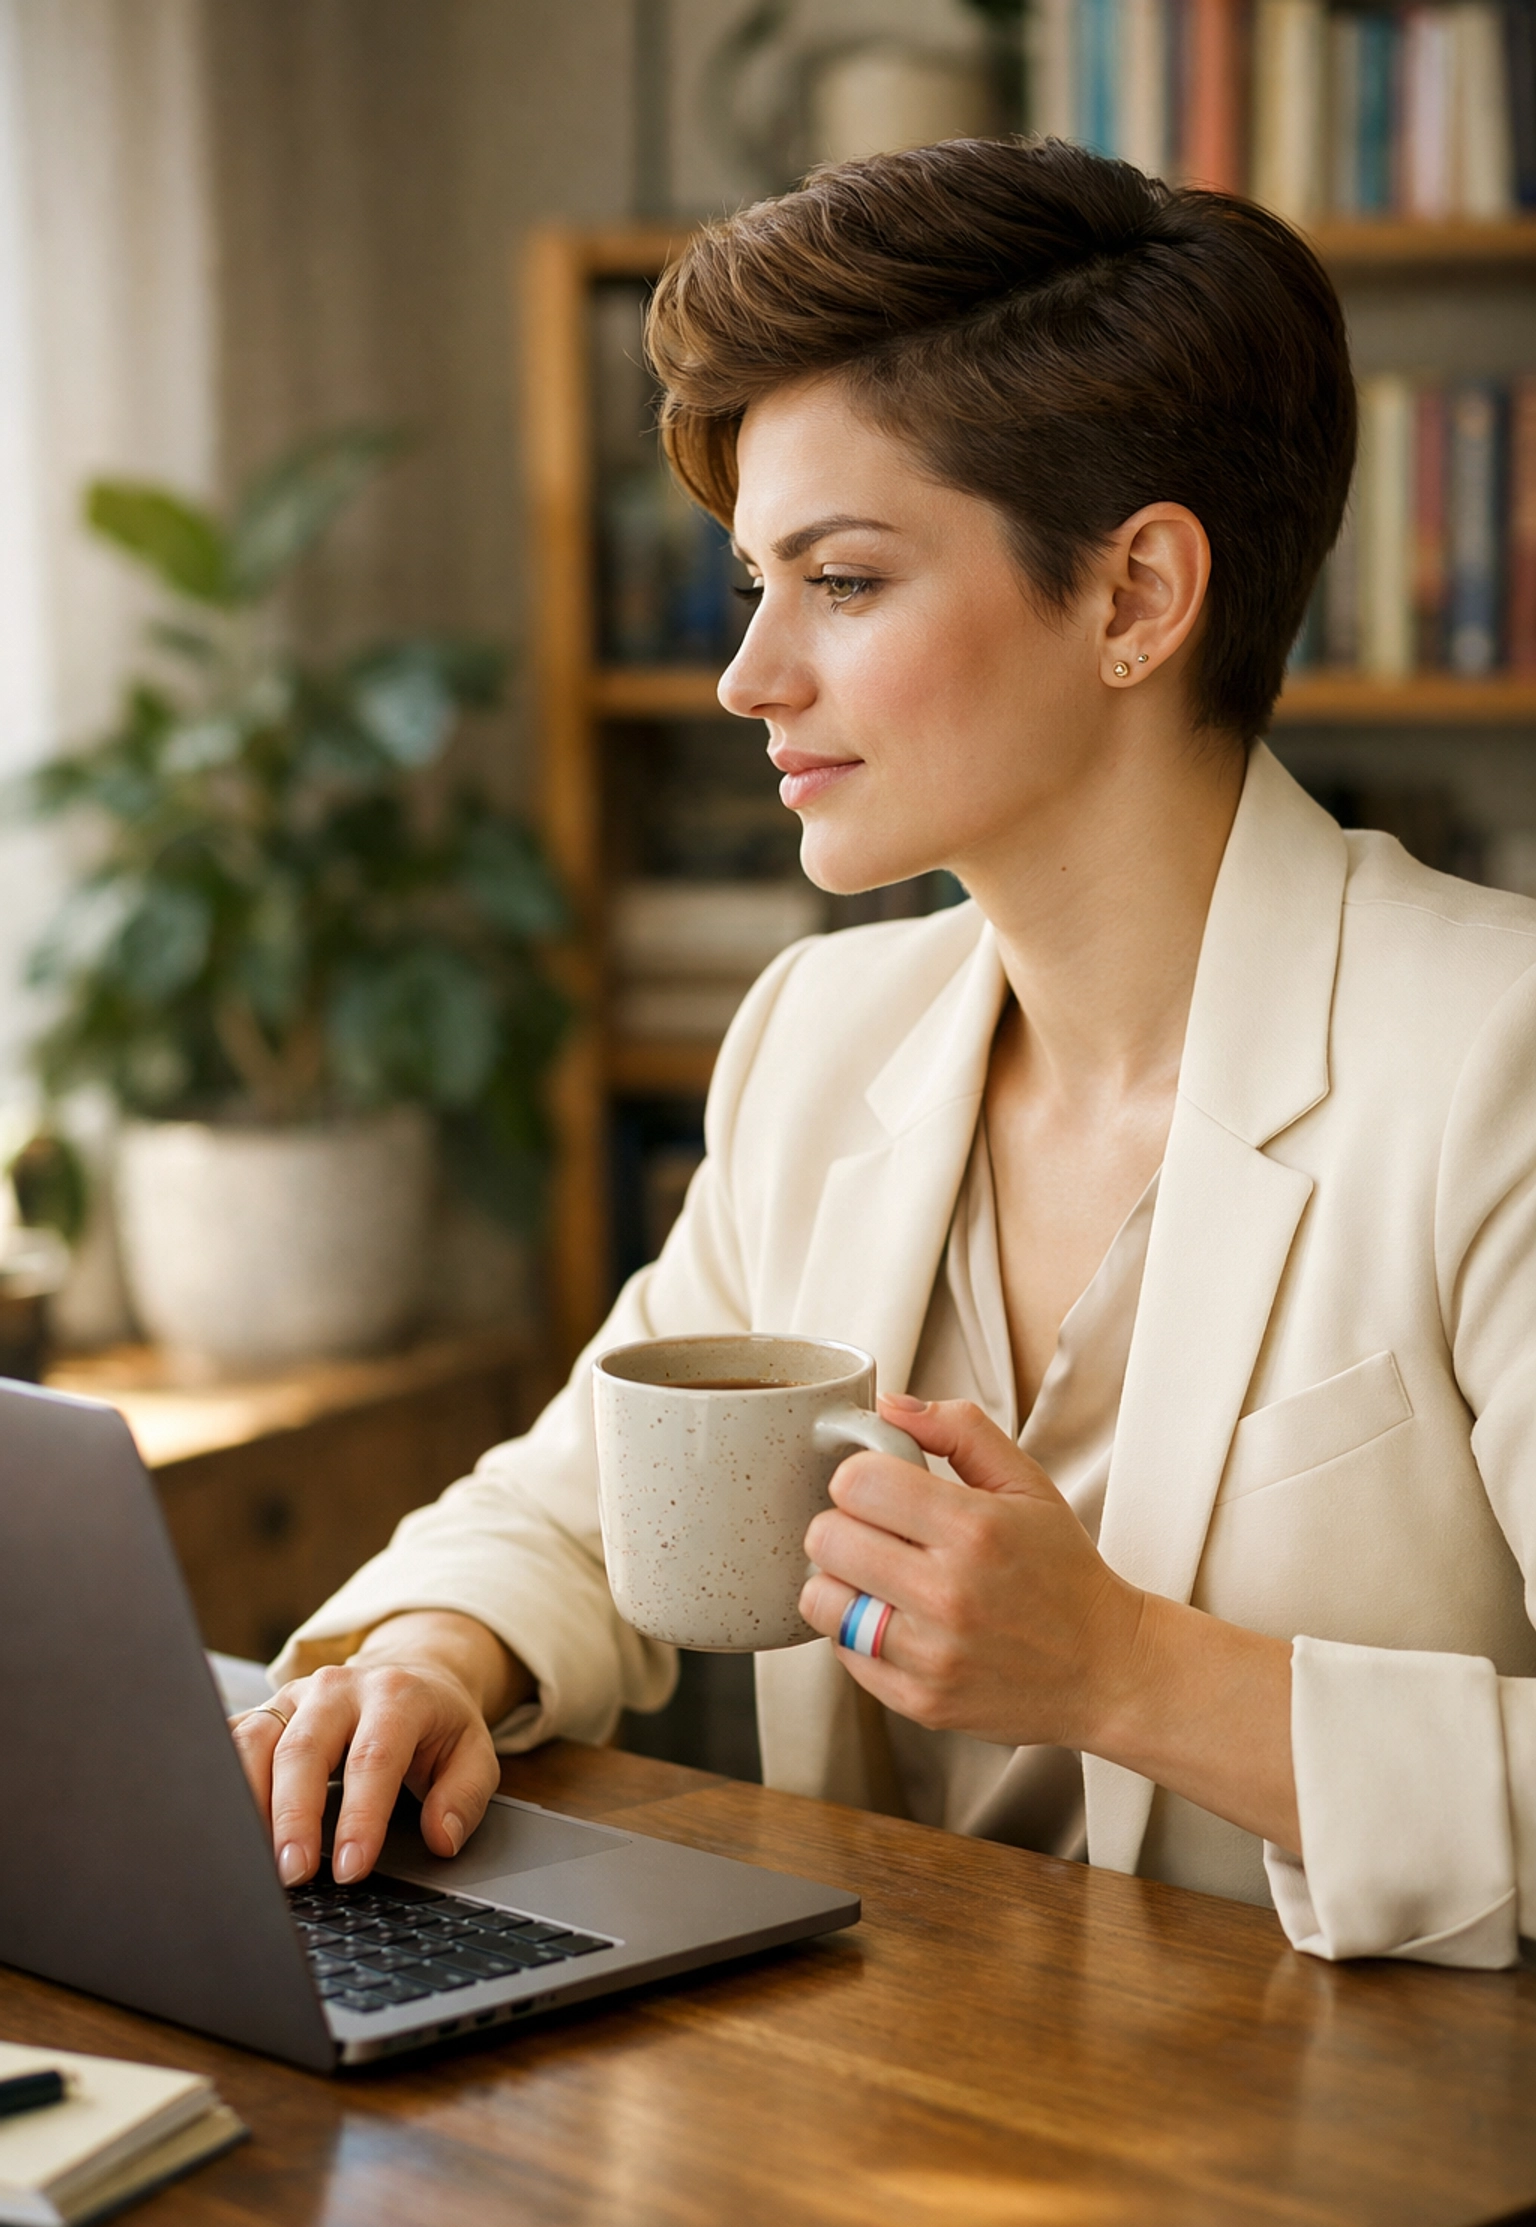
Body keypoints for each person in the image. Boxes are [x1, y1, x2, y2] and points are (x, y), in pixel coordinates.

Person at [236, 139, 1536, 1968]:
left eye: (841, 581)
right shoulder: (821, 1033)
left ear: (1136, 597)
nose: (748, 676)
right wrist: (433, 1660)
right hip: (883, 2089)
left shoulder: (1493, 1062)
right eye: (752, 584)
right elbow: (588, 1499)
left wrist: (1130, 1673)